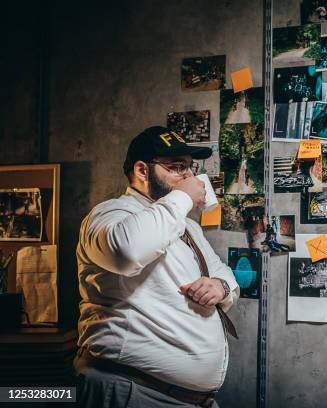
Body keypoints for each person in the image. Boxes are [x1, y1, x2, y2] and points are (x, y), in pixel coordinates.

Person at [74, 126, 239, 408]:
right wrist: (184, 197)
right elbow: (126, 252)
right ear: (142, 171)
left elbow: (223, 272)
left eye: (190, 167)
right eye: (177, 167)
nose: (189, 176)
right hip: (132, 391)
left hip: (184, 398)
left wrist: (220, 287)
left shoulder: (187, 225)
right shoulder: (110, 213)